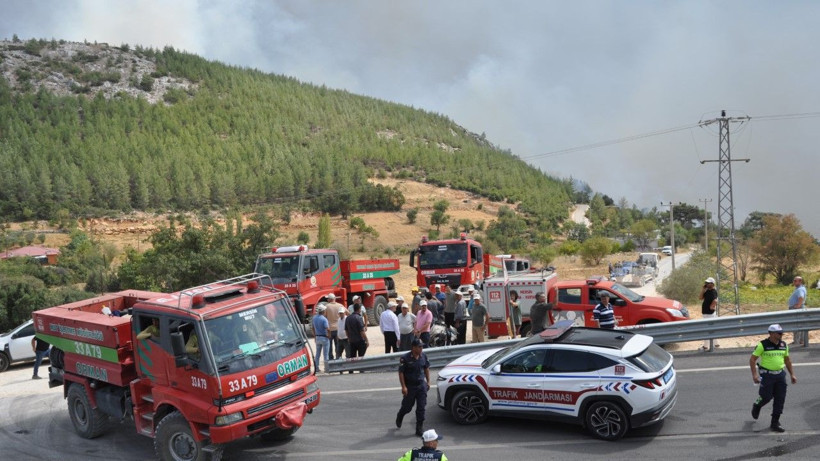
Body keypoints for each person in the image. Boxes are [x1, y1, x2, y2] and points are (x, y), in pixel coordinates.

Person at [749, 324, 797, 432]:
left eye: (781, 333)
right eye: (779, 333)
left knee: (780, 399)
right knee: (766, 396)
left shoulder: (784, 345)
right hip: (767, 375)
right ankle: (757, 405)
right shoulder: (762, 345)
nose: (781, 335)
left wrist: (792, 374)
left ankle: (775, 422)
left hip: (780, 375)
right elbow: (752, 360)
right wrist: (755, 375)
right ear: (771, 333)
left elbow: (787, 360)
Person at [395, 338, 431, 437]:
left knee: (421, 407)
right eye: (419, 347)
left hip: (421, 385)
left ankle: (419, 428)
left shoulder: (423, 356)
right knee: (407, 407)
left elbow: (426, 368)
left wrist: (428, 382)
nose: (421, 349)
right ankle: (400, 414)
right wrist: (403, 387)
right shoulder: (405, 358)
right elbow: (401, 373)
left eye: (422, 347)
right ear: (413, 347)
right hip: (410, 386)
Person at [699, 277, 719, 350]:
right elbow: (700, 298)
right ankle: (716, 344)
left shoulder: (713, 291)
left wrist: (712, 306)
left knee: (707, 330)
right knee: (711, 329)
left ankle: (705, 346)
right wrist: (703, 289)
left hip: (709, 314)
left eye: (708, 283)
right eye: (706, 283)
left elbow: (715, 300)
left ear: (712, 284)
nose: (706, 284)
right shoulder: (707, 291)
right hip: (706, 313)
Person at [788, 276, 807, 346]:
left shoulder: (800, 290)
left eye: (796, 281)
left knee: (796, 325)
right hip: (796, 308)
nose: (794, 282)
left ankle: (797, 341)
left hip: (796, 309)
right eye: (794, 280)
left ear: (800, 281)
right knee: (799, 325)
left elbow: (801, 297)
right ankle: (800, 340)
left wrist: (798, 305)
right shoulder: (799, 288)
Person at [312, 304, 330, 374]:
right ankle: (326, 369)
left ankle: (316, 368)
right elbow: (327, 328)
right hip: (324, 337)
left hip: (318, 337)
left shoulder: (314, 318)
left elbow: (313, 328)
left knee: (317, 354)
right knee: (326, 354)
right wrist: (329, 335)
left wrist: (315, 336)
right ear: (323, 311)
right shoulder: (324, 319)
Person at [324, 294, 342, 359]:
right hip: (338, 329)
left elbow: (324, 317)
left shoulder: (327, 307)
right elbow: (347, 313)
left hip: (330, 330)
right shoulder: (340, 306)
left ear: (330, 299)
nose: (327, 299)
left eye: (327, 298)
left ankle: (331, 359)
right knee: (338, 345)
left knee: (329, 346)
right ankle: (338, 358)